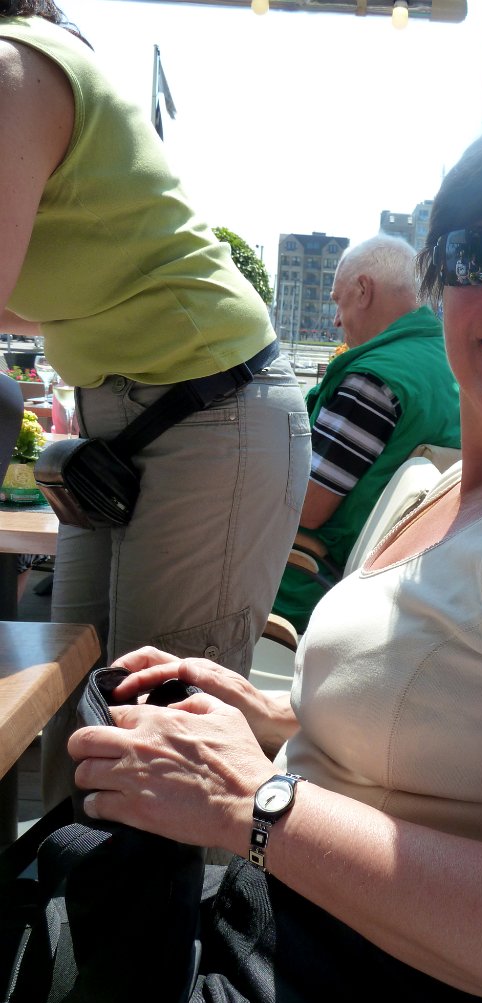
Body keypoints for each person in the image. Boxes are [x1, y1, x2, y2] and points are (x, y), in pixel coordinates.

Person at [69, 113, 482, 1003]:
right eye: (476, 255)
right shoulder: (458, 487)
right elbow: (455, 738)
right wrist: (270, 714)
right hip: (270, 939)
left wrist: (251, 801)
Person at [0, 1, 311, 806]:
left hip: (214, 410)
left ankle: (117, 891)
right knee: (76, 703)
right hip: (135, 422)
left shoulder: (13, 67)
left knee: (149, 732)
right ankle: (63, 887)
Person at [272, 234, 460, 633]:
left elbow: (305, 508)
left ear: (363, 290)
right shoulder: (450, 362)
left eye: (337, 301)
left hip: (304, 583)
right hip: (396, 582)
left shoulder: (372, 381)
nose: (336, 320)